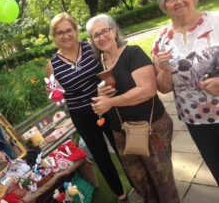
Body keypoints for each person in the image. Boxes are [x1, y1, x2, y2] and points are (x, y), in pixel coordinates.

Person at [86, 13, 180, 203]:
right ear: (92, 40)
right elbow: (111, 91)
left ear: (114, 31)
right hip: (122, 132)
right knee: (140, 181)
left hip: (151, 127)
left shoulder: (133, 53)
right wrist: (103, 96)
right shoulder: (101, 62)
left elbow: (148, 90)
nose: (101, 37)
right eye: (96, 35)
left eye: (104, 31)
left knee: (163, 181)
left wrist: (111, 102)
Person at [46, 12, 129, 203]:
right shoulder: (52, 65)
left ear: (76, 31)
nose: (66, 35)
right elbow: (55, 95)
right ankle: (121, 195)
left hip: (106, 105)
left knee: (122, 148)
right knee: (101, 156)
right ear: (54, 36)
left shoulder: (92, 48)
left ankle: (138, 183)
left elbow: (109, 68)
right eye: (60, 33)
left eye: (69, 30)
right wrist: (53, 94)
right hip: (81, 114)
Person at [152, 0, 219, 185]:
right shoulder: (161, 41)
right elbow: (164, 88)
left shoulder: (216, 21)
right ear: (164, 4)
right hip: (196, 119)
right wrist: (163, 71)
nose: (179, 1)